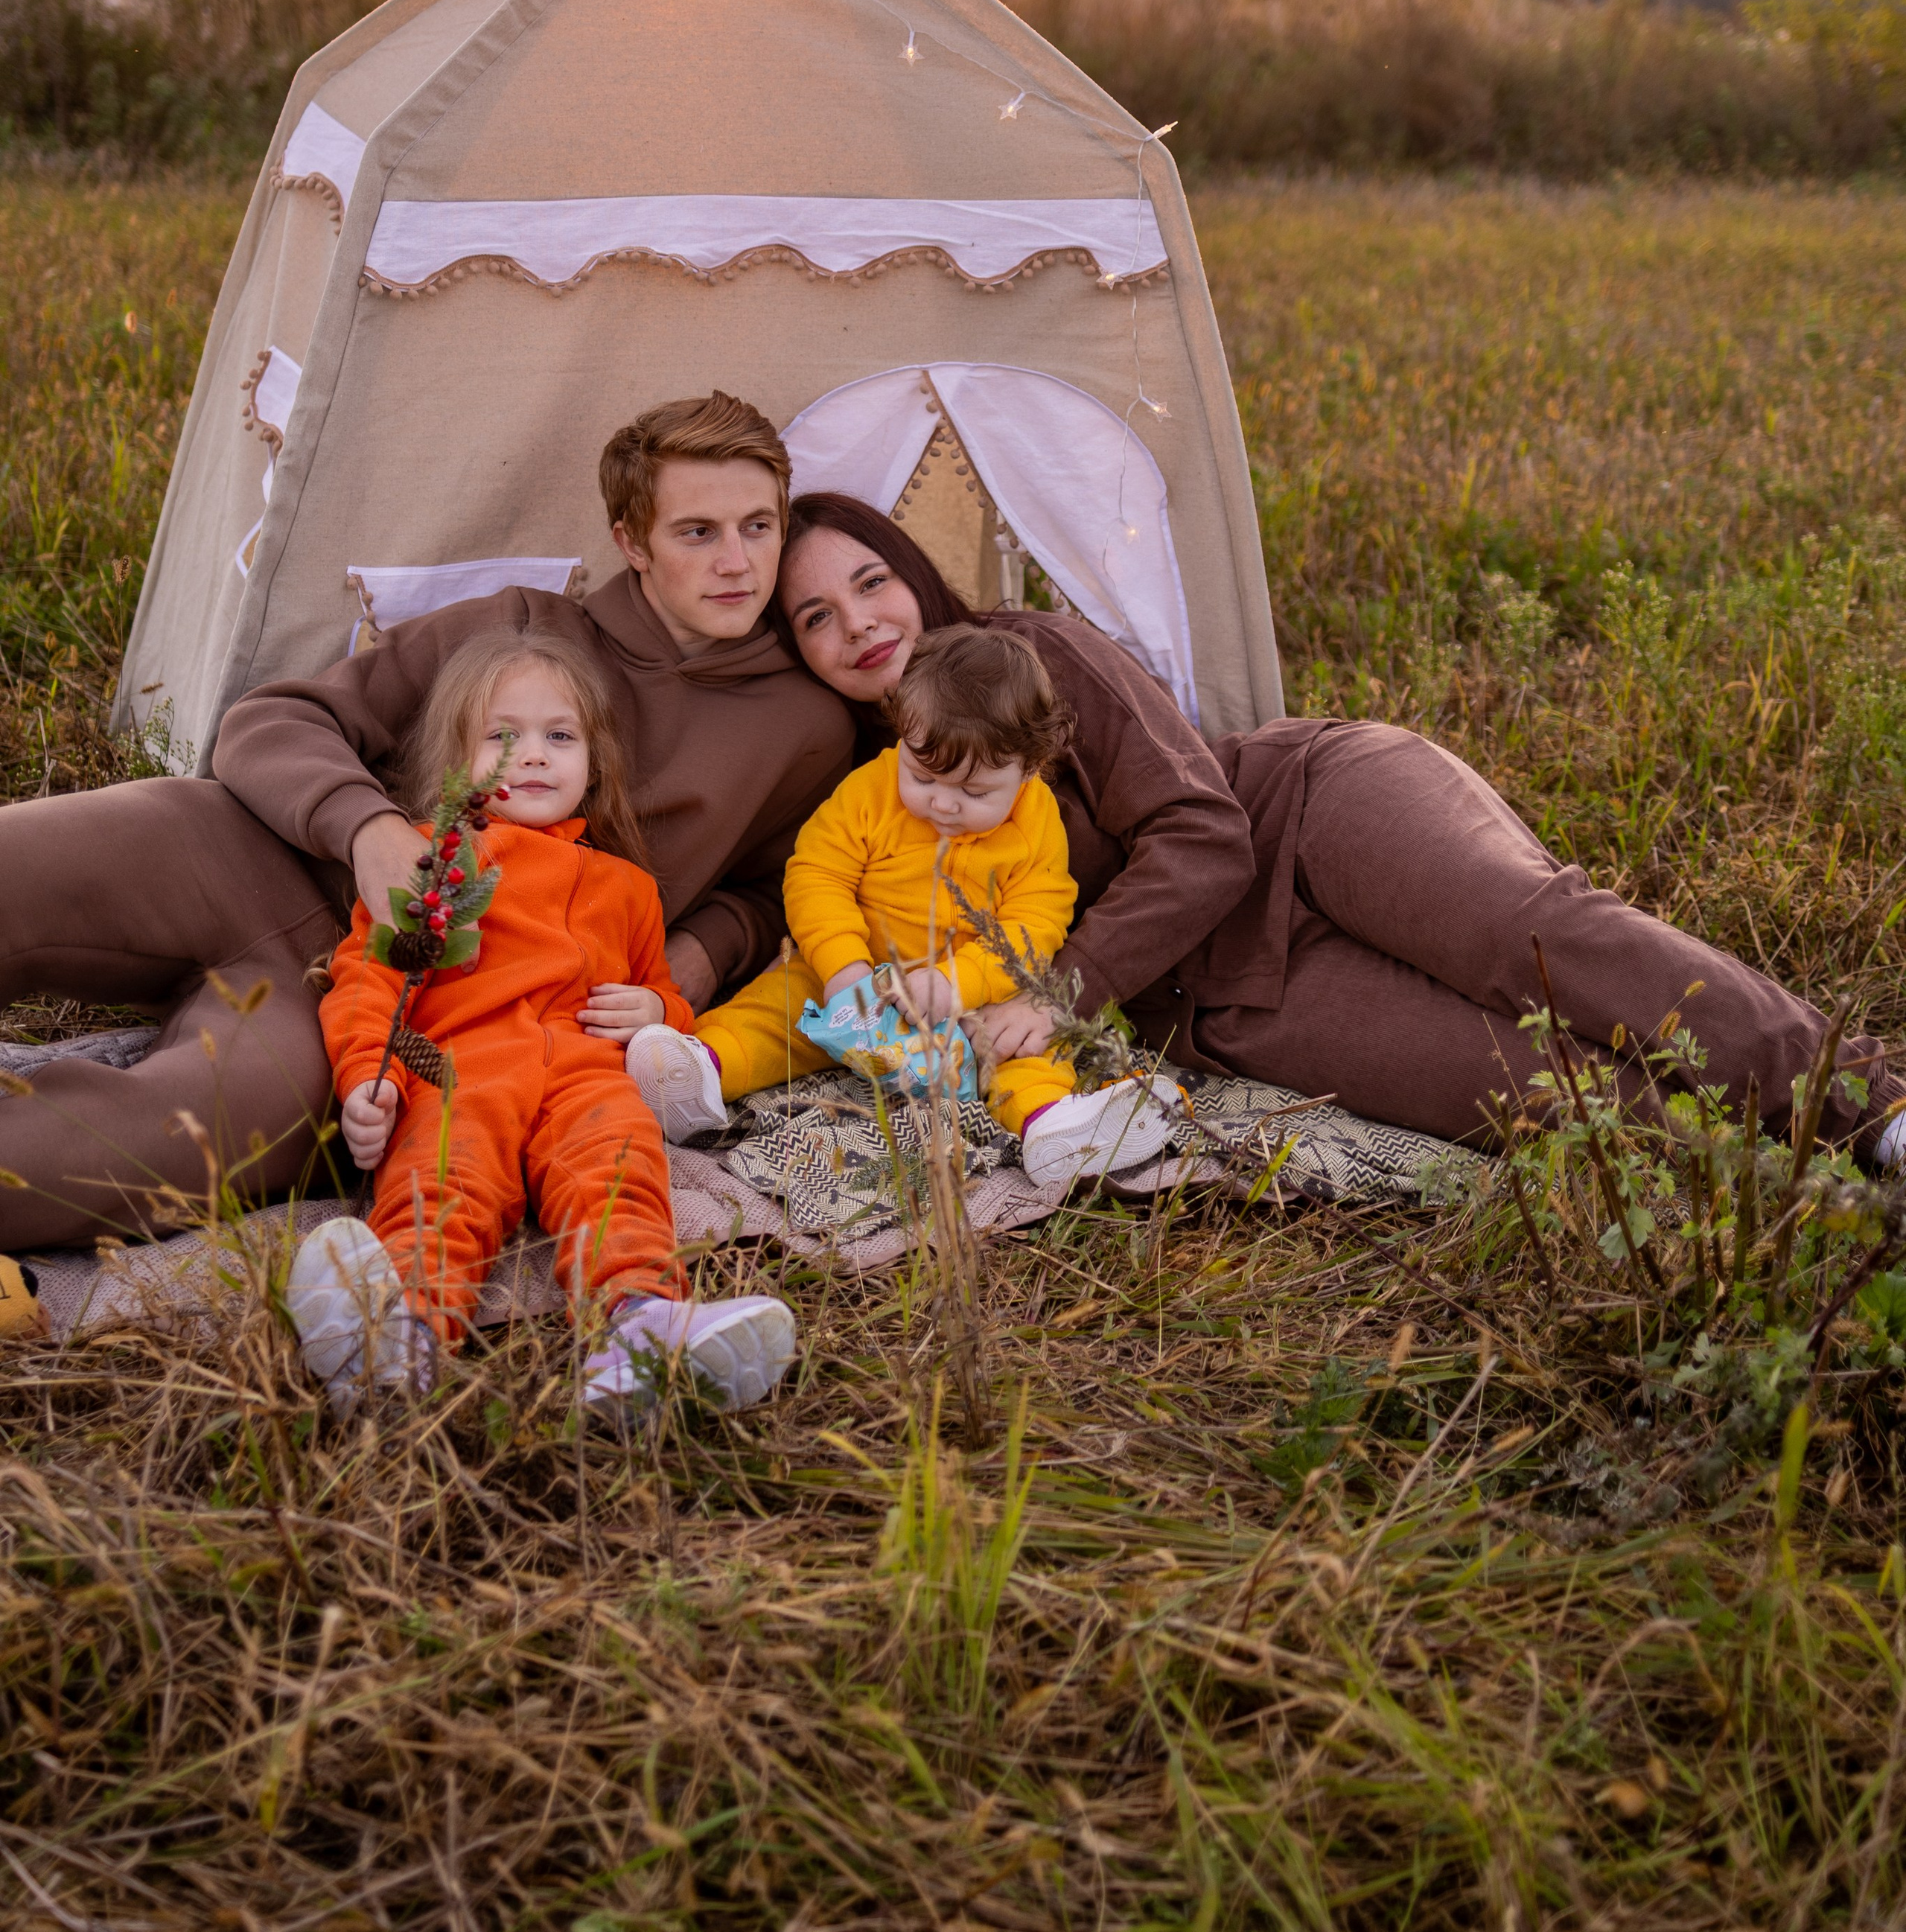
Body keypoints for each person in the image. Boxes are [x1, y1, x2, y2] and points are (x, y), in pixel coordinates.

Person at [762, 493, 1900, 1160]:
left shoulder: (1030, 653)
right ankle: (1788, 1183)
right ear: (797, 650)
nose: (859, 623)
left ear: (913, 572)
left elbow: (1204, 833)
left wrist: (1054, 992)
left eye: (872, 582)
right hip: (1215, 998)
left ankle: (1874, 1109)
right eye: (817, 614)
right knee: (1523, 1087)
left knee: (1531, 941)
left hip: (1305, 817)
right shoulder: (867, 789)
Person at [0, 395, 853, 1251]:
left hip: (394, 1007)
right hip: (248, 854)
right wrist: (370, 831)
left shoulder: (805, 728)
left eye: (758, 526)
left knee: (157, 1140)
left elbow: (775, 888)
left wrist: (689, 966)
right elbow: (273, 722)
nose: (737, 562)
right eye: (697, 532)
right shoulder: (522, 625)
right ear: (632, 543)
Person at [288, 631, 796, 1420]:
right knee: (442, 1182)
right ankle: (401, 1335)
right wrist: (369, 1078)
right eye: (501, 737)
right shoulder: (429, 858)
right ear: (456, 762)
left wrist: (658, 1010)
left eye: (558, 737)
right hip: (458, 1069)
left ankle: (639, 1323)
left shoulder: (626, 887)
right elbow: (368, 978)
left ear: (593, 761)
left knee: (618, 1172)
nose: (531, 755)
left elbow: (662, 992)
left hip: (582, 1072)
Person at [628, 626, 1182, 1182]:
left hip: (969, 1000)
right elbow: (817, 874)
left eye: (974, 793)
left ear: (1030, 770)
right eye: (923, 776)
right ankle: (697, 1074)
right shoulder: (871, 792)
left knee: (1023, 1043)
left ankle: (1051, 1125)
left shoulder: (1038, 825)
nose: (943, 803)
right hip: (851, 977)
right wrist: (843, 965)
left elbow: (1035, 924)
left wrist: (959, 984)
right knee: (776, 1008)